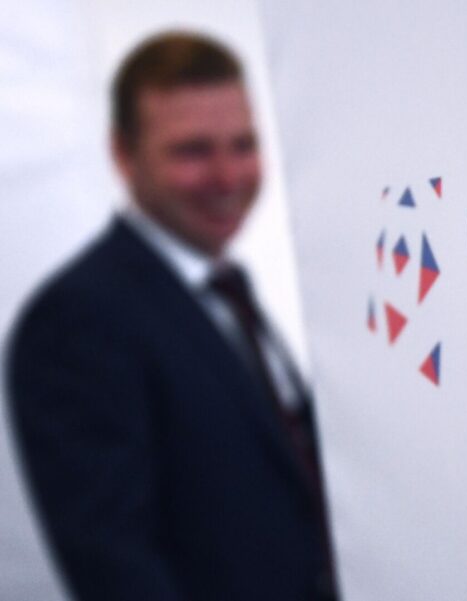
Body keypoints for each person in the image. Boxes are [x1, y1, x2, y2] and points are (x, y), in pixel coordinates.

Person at [4, 31, 338, 600]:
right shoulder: (76, 321)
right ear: (122, 154)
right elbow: (117, 569)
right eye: (193, 151)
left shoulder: (225, 288)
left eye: (243, 145)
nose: (229, 177)